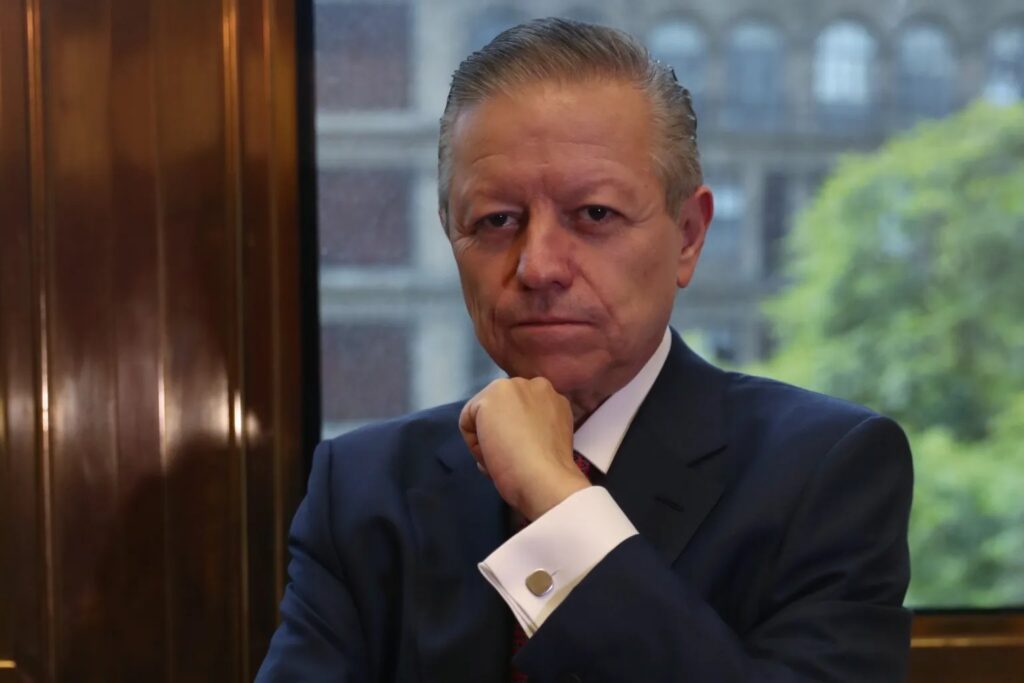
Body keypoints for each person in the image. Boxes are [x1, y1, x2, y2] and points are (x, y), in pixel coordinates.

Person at [257, 18, 913, 682]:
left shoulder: (825, 472)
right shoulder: (362, 489)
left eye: (594, 214)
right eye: (496, 220)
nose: (538, 266)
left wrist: (558, 502)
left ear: (688, 235)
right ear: (451, 236)